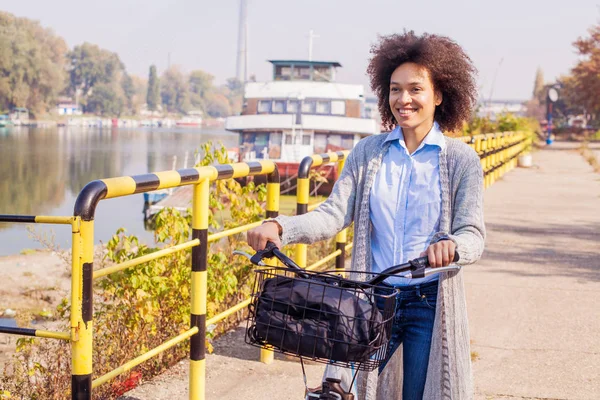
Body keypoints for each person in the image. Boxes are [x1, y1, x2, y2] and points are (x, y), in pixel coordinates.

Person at [247, 31, 485, 400]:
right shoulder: (368, 153)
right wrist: (282, 226)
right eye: (395, 89)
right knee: (344, 390)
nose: (403, 99)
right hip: (373, 300)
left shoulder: (461, 160)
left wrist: (453, 247)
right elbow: (332, 214)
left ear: (438, 95)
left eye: (415, 89)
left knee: (423, 393)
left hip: (430, 301)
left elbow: (472, 234)